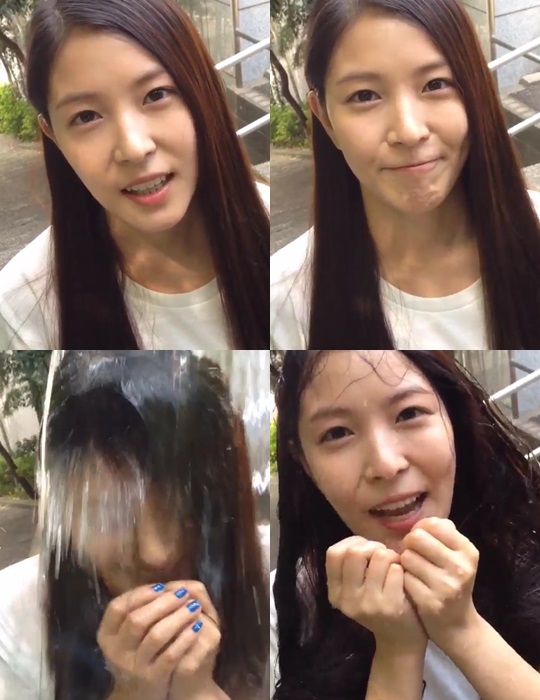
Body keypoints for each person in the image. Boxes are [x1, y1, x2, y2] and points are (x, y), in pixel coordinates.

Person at [270, 0, 540, 350]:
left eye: (435, 84)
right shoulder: (281, 303)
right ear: (325, 119)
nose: (409, 132)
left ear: (477, 91)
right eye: (364, 95)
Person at [271, 350, 540, 699]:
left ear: (452, 418)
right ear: (305, 462)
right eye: (337, 433)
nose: (385, 464)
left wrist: (463, 629)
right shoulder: (286, 613)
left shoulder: (529, 541)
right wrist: (396, 650)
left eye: (409, 413)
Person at [0, 0, 269, 350]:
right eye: (86, 116)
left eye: (156, 95)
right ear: (53, 136)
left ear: (202, 91)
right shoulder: (22, 308)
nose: (134, 147)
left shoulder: (275, 248)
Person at [0, 351, 269, 700]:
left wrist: (199, 691)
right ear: (62, 513)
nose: (157, 554)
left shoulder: (275, 594)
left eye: (181, 505)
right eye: (108, 514)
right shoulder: (14, 621)